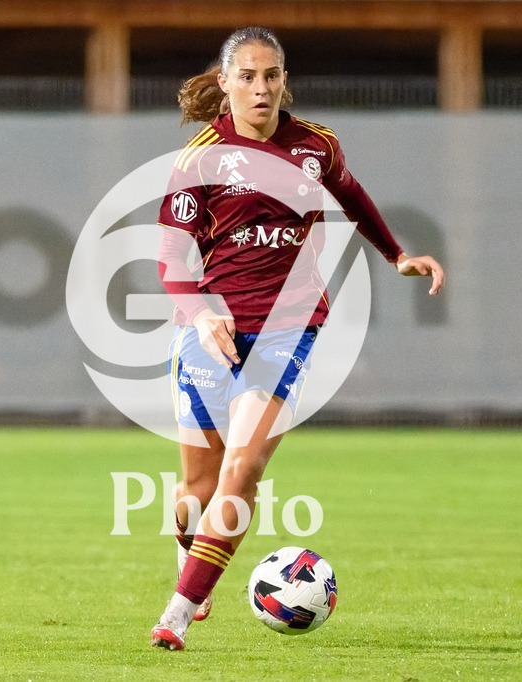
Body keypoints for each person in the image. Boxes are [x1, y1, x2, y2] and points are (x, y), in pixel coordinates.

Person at [150, 26, 445, 651]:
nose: (261, 89)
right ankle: (190, 553)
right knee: (196, 493)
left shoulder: (316, 145)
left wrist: (396, 255)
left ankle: (177, 613)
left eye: (272, 76)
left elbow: (351, 193)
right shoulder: (199, 159)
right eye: (248, 77)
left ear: (285, 80)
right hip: (209, 331)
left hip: (289, 327)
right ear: (225, 83)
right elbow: (171, 260)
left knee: (243, 469)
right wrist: (200, 313)